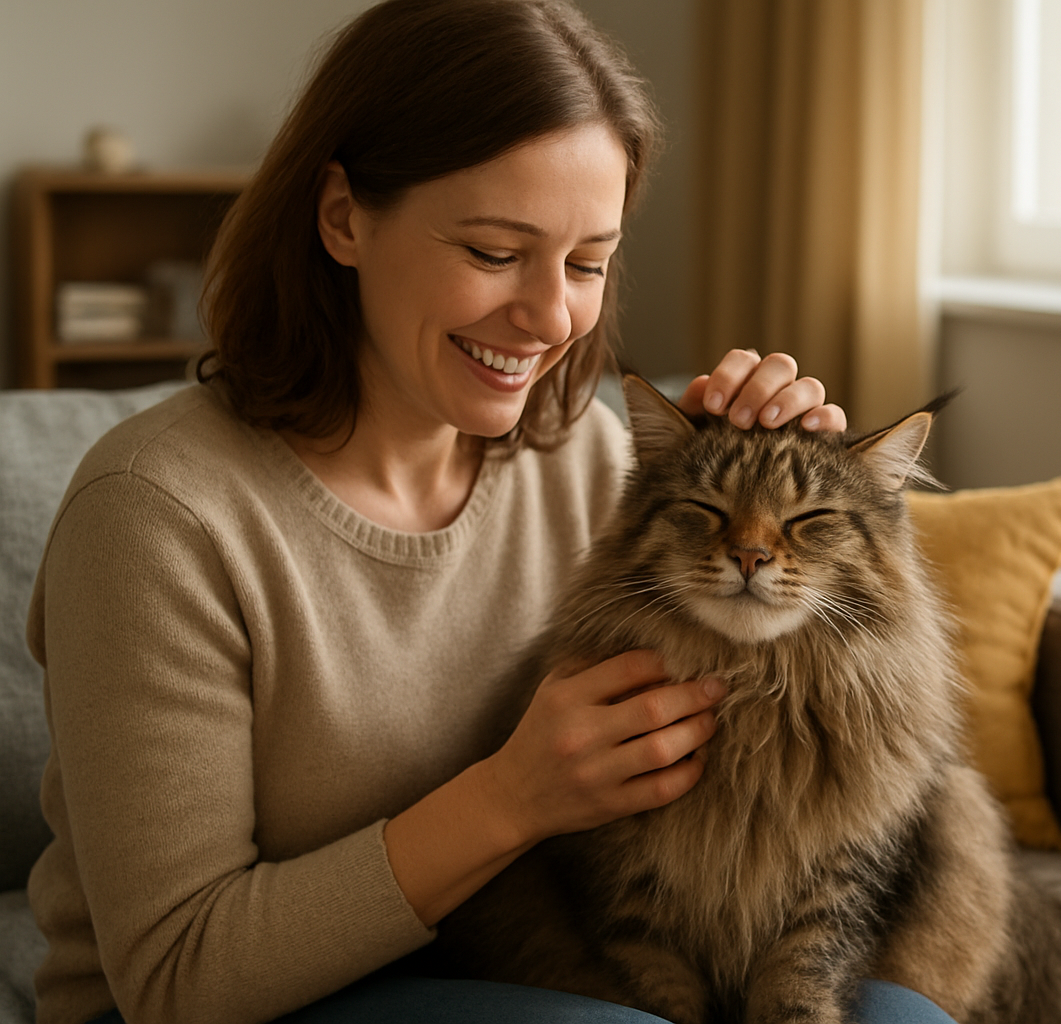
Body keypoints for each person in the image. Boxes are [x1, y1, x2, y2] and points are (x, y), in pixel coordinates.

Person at [25, 2, 960, 1023]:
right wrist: (512, 798)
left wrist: (781, 472)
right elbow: (178, 978)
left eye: (588, 261)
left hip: (501, 947)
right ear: (342, 216)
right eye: (493, 250)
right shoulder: (156, 515)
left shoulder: (592, 458)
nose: (551, 316)